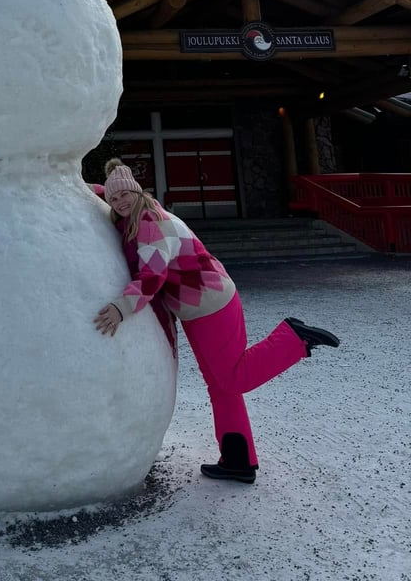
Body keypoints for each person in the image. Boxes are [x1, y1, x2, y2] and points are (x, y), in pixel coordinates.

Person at [93, 159, 340, 484]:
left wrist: (121, 308)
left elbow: (152, 277)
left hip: (211, 303)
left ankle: (295, 339)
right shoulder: (137, 216)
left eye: (125, 194)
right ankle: (237, 460)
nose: (120, 201)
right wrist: (80, 186)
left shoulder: (149, 222)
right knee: (220, 386)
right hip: (197, 306)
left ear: (136, 192)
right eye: (113, 198)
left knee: (233, 378)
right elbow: (103, 193)